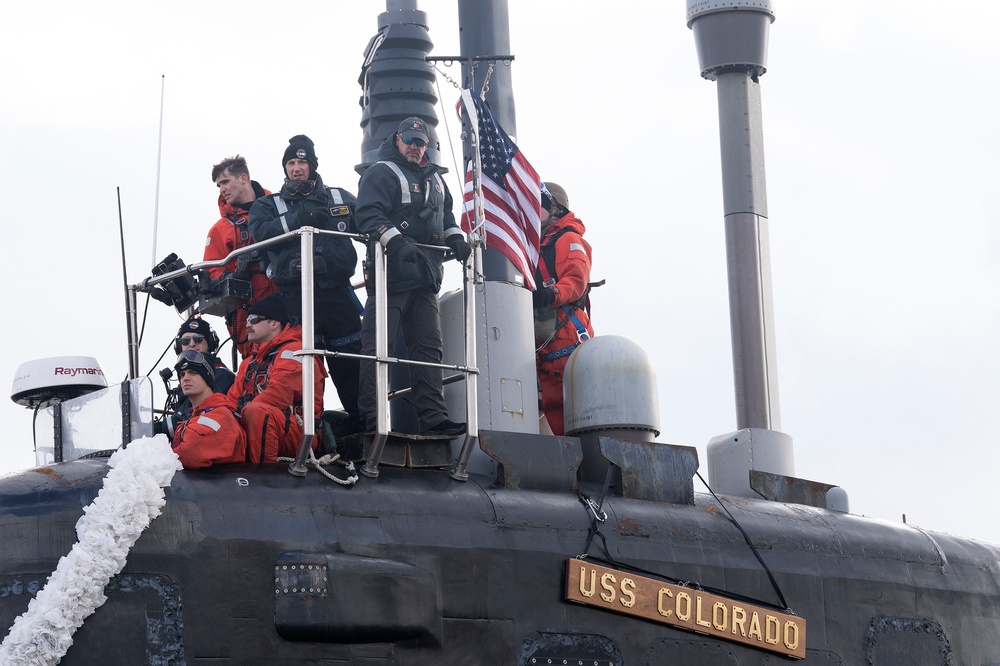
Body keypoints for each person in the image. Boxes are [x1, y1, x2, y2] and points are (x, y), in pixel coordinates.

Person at [355, 117, 471, 436]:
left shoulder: (436, 180)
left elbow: (446, 215)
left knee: (428, 349)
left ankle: (433, 419)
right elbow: (366, 214)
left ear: (427, 146)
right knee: (379, 349)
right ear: (397, 139)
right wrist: (397, 243)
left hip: (426, 276)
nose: (414, 147)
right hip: (390, 275)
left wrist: (456, 237)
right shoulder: (382, 172)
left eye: (420, 142)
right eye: (409, 140)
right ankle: (373, 421)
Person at [248, 135, 362, 425]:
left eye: (302, 162)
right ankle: (309, 431)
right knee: (302, 366)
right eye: (291, 163)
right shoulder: (268, 205)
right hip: (295, 297)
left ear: (312, 165)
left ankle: (367, 427)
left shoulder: (340, 198)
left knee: (353, 364)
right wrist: (302, 216)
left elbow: (371, 224)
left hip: (337, 294)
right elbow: (260, 234)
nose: (296, 168)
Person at [227, 294, 327, 463]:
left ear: (274, 323)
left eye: (254, 319)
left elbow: (279, 394)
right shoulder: (249, 363)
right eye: (248, 319)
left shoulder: (295, 351)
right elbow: (231, 400)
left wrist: (242, 413)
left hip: (297, 432)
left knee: (257, 412)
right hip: (258, 424)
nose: (248, 324)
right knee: (222, 416)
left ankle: (265, 477)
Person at [532, 182, 594, 436]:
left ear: (554, 209)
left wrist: (551, 293)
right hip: (545, 347)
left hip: (566, 339)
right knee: (555, 422)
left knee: (576, 420)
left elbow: (576, 280)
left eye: (538, 206)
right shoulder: (535, 246)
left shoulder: (568, 238)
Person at [204, 155, 277, 359]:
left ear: (243, 178)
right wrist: (232, 277)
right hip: (249, 315)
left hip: (287, 305)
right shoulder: (220, 230)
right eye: (218, 185)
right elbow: (211, 272)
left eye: (225, 182)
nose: (221, 190)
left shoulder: (279, 209)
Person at [171, 350, 247, 469]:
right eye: (182, 374)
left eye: (192, 372)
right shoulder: (194, 417)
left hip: (224, 485)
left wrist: (159, 457)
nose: (185, 378)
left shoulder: (221, 415)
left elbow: (190, 454)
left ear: (207, 377)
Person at [167, 317, 235, 437]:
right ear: (179, 346)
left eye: (198, 339)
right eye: (185, 341)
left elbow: (203, 413)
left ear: (210, 343)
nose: (192, 344)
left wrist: (165, 427)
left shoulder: (221, 374)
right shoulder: (185, 376)